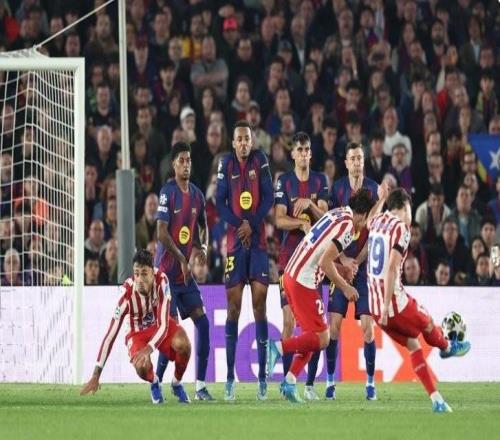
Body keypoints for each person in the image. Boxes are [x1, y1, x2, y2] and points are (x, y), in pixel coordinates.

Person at [267, 189, 384, 403]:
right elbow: (324, 263)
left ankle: (290, 381)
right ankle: (278, 348)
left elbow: (321, 253)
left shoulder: (337, 213)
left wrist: (342, 268)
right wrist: (345, 287)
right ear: (365, 215)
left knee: (312, 337)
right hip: (303, 280)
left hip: (293, 274)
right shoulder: (348, 227)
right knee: (323, 337)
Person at [367, 188, 471, 413]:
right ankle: (447, 347)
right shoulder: (401, 228)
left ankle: (437, 400)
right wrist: (386, 307)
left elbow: (368, 220)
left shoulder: (378, 221)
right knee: (428, 323)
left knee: (414, 346)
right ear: (406, 207)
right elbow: (392, 268)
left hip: (374, 307)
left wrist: (381, 199)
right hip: (393, 304)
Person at [80, 249, 191, 404]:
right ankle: (154, 382)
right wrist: (96, 374)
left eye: (144, 274)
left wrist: (149, 348)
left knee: (184, 345)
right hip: (136, 332)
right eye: (136, 274)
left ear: (152, 272)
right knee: (142, 366)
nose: (139, 279)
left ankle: (176, 383)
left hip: (159, 325)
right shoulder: (126, 295)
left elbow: (164, 324)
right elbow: (110, 336)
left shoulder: (162, 281)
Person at [215, 120, 274, 401]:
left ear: (252, 141)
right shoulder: (225, 164)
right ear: (233, 142)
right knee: (234, 308)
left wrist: (252, 223)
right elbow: (219, 202)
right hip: (235, 244)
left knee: (260, 305)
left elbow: (269, 198)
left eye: (247, 139)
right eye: (239, 139)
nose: (243, 143)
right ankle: (229, 378)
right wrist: (241, 225)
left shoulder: (260, 160)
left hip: (259, 242)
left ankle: (262, 378)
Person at [154, 142, 213, 401]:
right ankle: (156, 382)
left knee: (204, 323)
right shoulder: (167, 193)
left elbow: (203, 225)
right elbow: (161, 232)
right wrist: (181, 258)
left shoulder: (198, 196)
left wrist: (203, 247)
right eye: (181, 160)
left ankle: (199, 386)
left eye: (189, 160)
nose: (186, 164)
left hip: (184, 276)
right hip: (166, 276)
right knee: (172, 334)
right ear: (173, 164)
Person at [274, 132, 329, 400]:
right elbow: (279, 219)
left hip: (313, 265)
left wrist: (310, 206)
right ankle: (288, 383)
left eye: (307, 149)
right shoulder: (284, 181)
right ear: (293, 154)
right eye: (300, 150)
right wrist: (302, 223)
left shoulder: (321, 181)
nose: (304, 154)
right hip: (288, 259)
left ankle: (306, 385)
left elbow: (326, 218)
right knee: (289, 321)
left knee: (313, 329)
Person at [326, 141, 381, 401]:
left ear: (363, 162)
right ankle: (329, 382)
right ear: (346, 163)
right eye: (353, 159)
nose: (357, 163)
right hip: (340, 264)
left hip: (363, 267)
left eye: (360, 158)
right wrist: (343, 260)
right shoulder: (337, 189)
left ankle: (370, 383)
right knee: (334, 327)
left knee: (368, 327)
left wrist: (356, 261)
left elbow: (374, 232)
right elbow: (331, 229)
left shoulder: (373, 189)